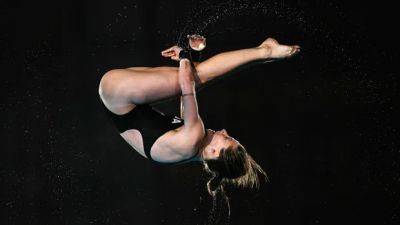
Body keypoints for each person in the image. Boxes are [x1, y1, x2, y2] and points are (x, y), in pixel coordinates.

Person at [98, 37, 300, 194]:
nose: (224, 131)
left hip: (119, 91)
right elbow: (185, 98)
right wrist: (186, 62)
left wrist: (186, 55)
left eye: (227, 138)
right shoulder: (190, 148)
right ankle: (265, 53)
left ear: (213, 153)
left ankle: (266, 51)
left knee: (198, 75)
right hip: (117, 97)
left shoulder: (194, 137)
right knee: (194, 76)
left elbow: (188, 85)